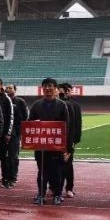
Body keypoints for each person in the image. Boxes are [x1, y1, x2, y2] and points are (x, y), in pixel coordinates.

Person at [28, 78, 69, 206]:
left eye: (50, 86)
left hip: (55, 144)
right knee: (42, 171)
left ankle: (57, 194)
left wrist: (65, 146)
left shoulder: (62, 105)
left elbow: (66, 126)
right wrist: (34, 123)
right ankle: (41, 194)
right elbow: (30, 123)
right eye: (45, 86)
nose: (47, 89)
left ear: (55, 88)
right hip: (41, 144)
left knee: (56, 171)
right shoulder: (36, 105)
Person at [57, 83, 83, 198]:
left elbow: (77, 124)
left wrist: (74, 140)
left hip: (69, 140)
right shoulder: (55, 104)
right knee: (55, 165)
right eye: (61, 91)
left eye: (65, 91)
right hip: (56, 139)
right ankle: (54, 187)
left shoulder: (75, 106)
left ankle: (69, 187)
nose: (63, 93)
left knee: (68, 164)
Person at [4, 84, 28, 188]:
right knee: (3, 157)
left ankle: (13, 177)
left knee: (13, 156)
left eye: (10, 88)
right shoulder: (3, 101)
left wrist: (20, 132)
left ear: (15, 90)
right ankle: (5, 177)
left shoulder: (20, 102)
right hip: (4, 134)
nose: (8, 90)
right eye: (7, 88)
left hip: (16, 134)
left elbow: (25, 117)